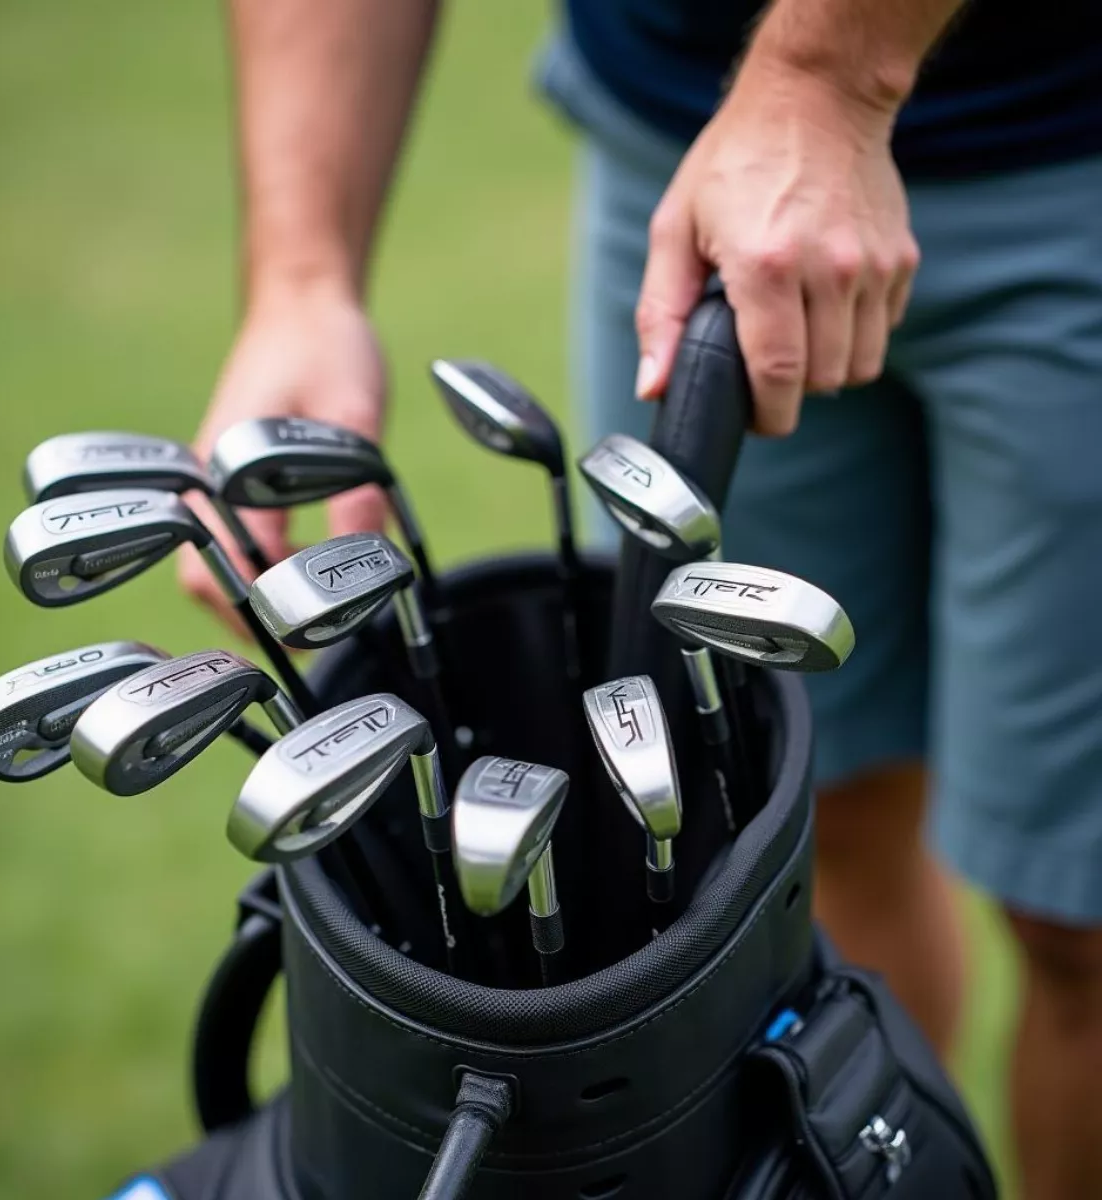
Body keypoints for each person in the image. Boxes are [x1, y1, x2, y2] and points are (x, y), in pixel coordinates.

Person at [179, 3, 1102, 1195]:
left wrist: (830, 79)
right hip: (685, 158)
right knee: (804, 827)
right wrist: (303, 278)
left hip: (1070, 159)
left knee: (1079, 911)